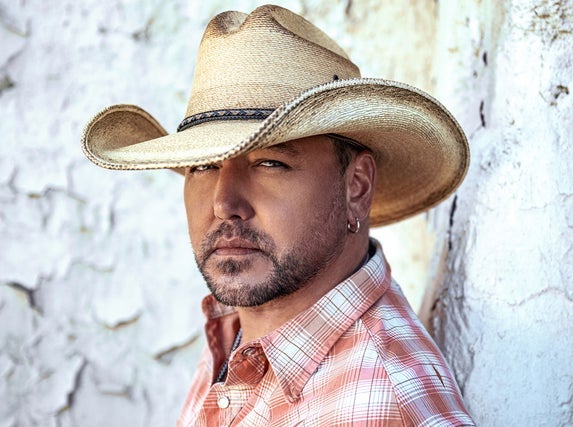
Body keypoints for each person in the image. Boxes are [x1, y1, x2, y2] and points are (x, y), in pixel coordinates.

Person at [82, 4, 474, 426]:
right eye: (203, 165)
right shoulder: (240, 332)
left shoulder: (382, 406)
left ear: (356, 186)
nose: (224, 203)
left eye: (269, 163)